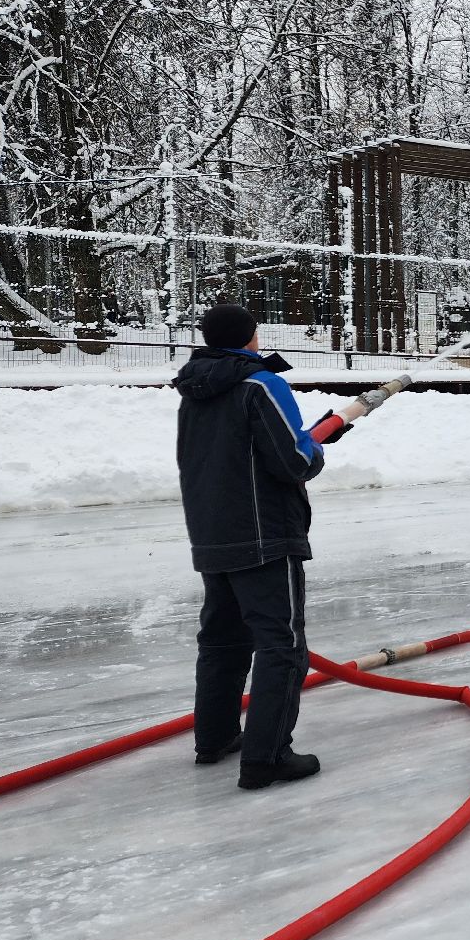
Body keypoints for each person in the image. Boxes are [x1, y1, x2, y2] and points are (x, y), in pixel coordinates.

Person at [173, 305, 350, 790]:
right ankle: (267, 757)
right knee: (282, 645)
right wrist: (313, 448)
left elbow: (241, 450)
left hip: (213, 531)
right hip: (265, 534)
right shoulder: (261, 383)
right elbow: (292, 460)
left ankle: (215, 738)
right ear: (251, 337)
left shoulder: (195, 387)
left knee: (223, 640)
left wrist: (308, 437)